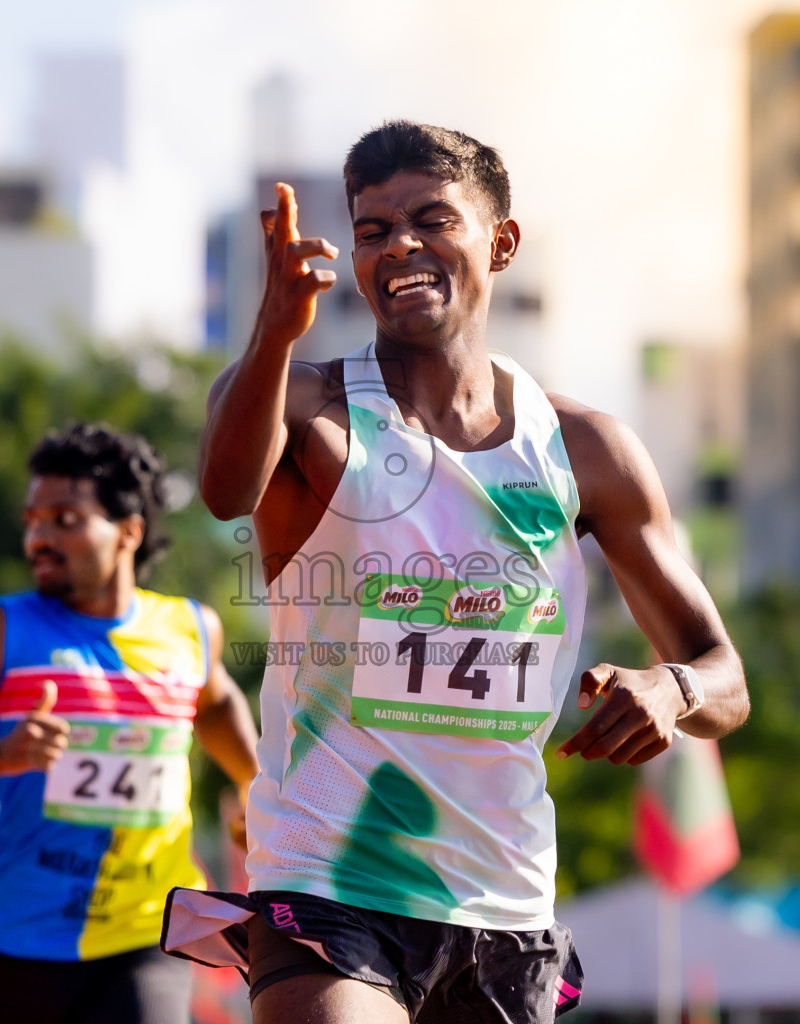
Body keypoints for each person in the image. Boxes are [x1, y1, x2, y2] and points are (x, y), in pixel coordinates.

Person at [162, 122, 750, 1024]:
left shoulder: (586, 449)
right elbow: (224, 490)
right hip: (330, 878)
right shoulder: (304, 398)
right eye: (372, 230)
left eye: (432, 219)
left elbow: (724, 678)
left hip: (503, 903)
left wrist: (670, 690)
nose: (400, 244)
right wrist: (275, 331)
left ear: (501, 242)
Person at [0, 424, 260, 1024]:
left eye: (64, 518)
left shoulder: (190, 630)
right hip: (24, 946)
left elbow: (213, 702)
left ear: (128, 532)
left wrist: (253, 783)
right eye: (33, 520)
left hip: (146, 932)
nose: (38, 538)